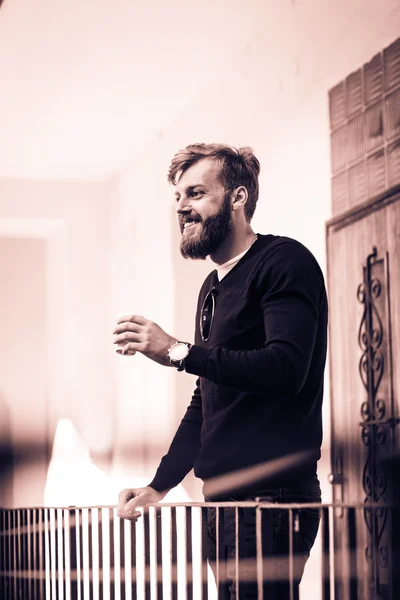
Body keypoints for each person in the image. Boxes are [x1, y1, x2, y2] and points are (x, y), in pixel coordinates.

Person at [115, 143, 328, 598]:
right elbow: (207, 396)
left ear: (237, 197)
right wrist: (160, 486)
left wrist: (176, 350)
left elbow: (287, 368)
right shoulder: (212, 287)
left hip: (270, 499)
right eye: (177, 198)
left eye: (195, 193)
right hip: (222, 500)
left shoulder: (284, 262)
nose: (182, 208)